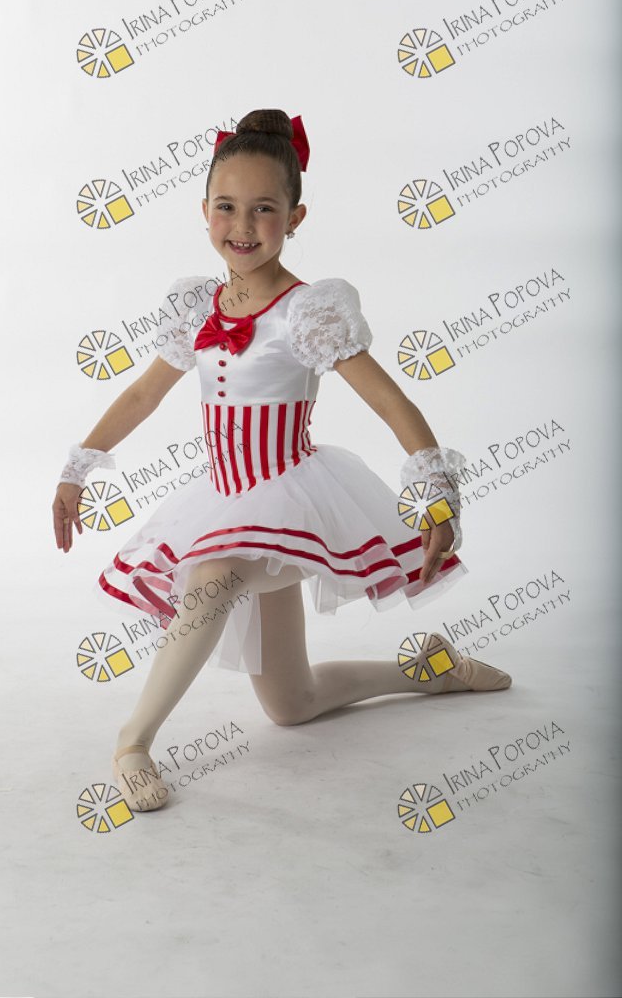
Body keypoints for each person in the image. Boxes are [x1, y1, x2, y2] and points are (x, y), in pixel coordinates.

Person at [52, 108, 512, 813]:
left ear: (295, 217)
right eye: (227, 206)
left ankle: (132, 742)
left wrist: (435, 491)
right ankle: (431, 669)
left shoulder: (307, 311)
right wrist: (78, 468)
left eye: (264, 208)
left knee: (212, 577)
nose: (243, 224)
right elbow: (144, 392)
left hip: (291, 497)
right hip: (222, 498)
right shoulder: (196, 306)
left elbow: (389, 400)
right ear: (203, 211)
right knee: (291, 704)